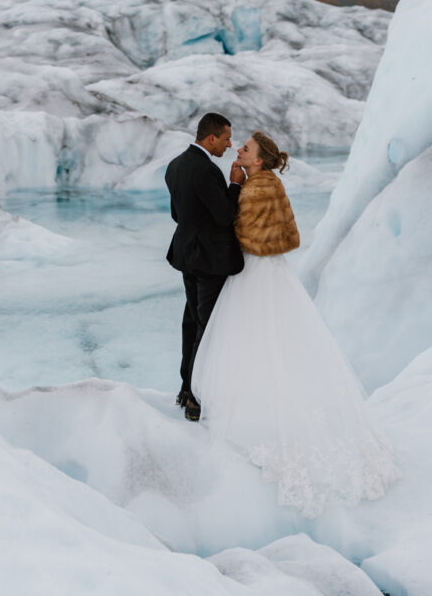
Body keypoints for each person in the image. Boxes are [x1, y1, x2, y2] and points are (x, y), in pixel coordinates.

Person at [192, 130, 398, 516]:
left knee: (254, 336)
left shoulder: (256, 189)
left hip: (255, 270)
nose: (239, 149)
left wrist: (227, 210)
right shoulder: (269, 181)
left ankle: (258, 410)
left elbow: (248, 235)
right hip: (272, 271)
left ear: (257, 160)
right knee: (278, 338)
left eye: (246, 148)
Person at [165, 112, 245, 421]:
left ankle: (186, 387)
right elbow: (225, 216)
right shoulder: (207, 171)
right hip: (210, 261)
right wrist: (235, 185)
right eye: (226, 139)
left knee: (192, 322)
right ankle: (196, 398)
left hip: (187, 256)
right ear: (211, 138)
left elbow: (177, 215)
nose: (229, 144)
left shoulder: (175, 166)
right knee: (207, 328)